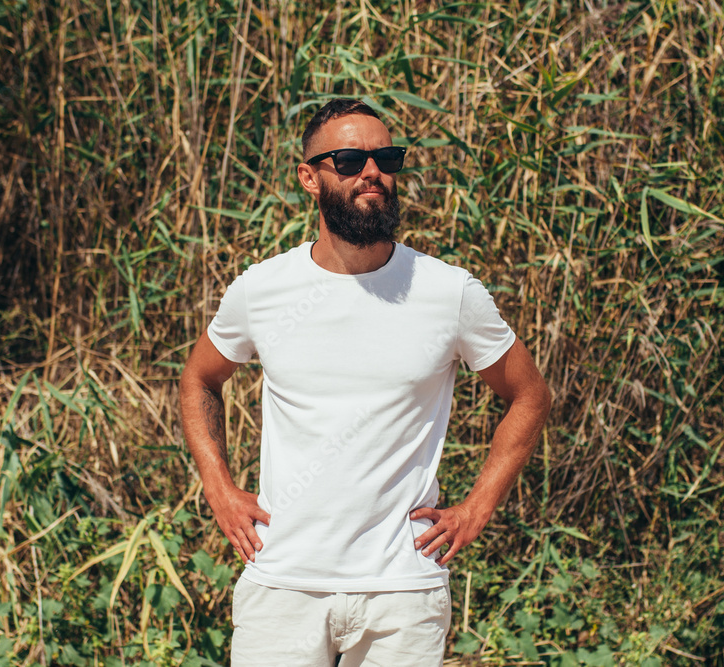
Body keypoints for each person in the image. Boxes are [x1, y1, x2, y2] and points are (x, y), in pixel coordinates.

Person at [179, 98, 552, 666]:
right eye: (350, 159)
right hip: (283, 585)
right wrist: (219, 488)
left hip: (402, 593)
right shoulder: (262, 290)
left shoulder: (448, 293)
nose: (372, 172)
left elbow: (529, 395)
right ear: (309, 176)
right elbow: (200, 379)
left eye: (386, 157)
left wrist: (477, 508)